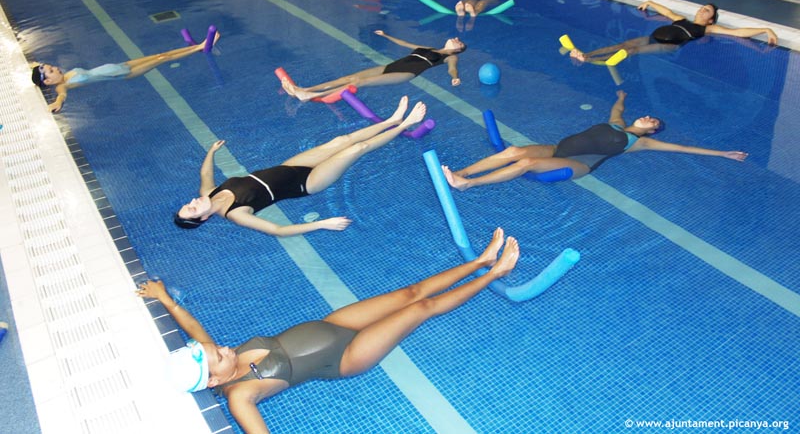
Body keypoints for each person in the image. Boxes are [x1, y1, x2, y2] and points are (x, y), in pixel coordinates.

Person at [137, 228, 519, 434]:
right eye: (218, 356)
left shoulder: (216, 360)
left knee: (409, 293)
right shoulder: (240, 396)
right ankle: (496, 274)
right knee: (421, 309)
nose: (222, 348)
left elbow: (193, 326)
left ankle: (482, 260)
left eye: (215, 348)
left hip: (333, 324)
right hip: (344, 358)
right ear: (212, 381)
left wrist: (165, 298)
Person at [175, 96, 427, 236]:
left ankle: (392, 120)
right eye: (192, 209)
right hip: (307, 183)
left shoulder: (208, 193)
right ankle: (406, 125)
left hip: (290, 167)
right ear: (203, 218)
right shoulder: (236, 214)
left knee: (341, 140)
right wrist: (321, 224)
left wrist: (211, 151)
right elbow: (277, 230)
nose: (193, 202)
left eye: (188, 204)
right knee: (357, 148)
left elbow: (205, 173)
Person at [442, 90, 748, 191]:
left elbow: (682, 148)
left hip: (579, 163)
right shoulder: (617, 123)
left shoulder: (638, 142)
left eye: (654, 123)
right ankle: (462, 172)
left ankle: (470, 184)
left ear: (651, 132)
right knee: (513, 150)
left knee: (526, 163)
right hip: (558, 148)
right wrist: (622, 96)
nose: (650, 118)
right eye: (651, 116)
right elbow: (618, 110)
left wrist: (723, 154)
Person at [31, 31, 220, 113]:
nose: (55, 68)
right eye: (51, 70)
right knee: (162, 60)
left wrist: (33, 65)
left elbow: (40, 71)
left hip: (120, 65)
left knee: (160, 54)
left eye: (51, 66)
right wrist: (57, 102)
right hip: (123, 74)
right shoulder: (62, 86)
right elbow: (61, 96)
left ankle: (196, 46)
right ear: (48, 82)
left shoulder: (64, 76)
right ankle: (200, 47)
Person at [280, 31, 465, 102]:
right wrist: (385, 35)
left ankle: (310, 96)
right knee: (350, 78)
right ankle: (305, 89)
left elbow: (452, 69)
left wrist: (455, 77)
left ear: (457, 50)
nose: (456, 39)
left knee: (359, 83)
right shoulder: (430, 48)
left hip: (407, 72)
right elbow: (404, 43)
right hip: (393, 65)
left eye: (459, 42)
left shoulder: (450, 57)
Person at [569, 0, 778, 63]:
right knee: (622, 45)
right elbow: (666, 12)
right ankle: (586, 55)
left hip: (669, 45)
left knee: (632, 51)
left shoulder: (707, 28)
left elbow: (738, 32)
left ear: (711, 18)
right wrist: (650, 3)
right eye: (702, 7)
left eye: (707, 10)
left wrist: (766, 29)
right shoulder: (681, 19)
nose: (702, 10)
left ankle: (594, 60)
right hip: (653, 37)